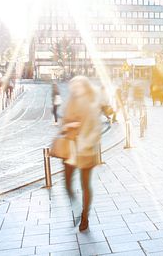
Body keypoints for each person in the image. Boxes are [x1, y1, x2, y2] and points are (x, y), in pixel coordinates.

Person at [61, 76, 102, 231]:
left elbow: (96, 129)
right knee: (67, 185)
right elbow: (64, 123)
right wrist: (68, 125)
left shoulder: (91, 104)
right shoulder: (70, 102)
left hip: (86, 151)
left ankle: (85, 217)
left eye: (79, 85)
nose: (75, 88)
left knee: (85, 185)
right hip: (70, 149)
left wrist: (86, 144)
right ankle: (78, 209)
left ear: (85, 87)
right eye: (73, 85)